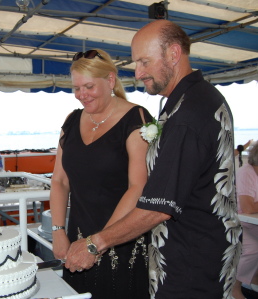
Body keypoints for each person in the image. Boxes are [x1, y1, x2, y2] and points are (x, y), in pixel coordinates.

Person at [63, 20, 242, 299]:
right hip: (204, 250)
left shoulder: (188, 115)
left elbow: (158, 207)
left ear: (173, 53)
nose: (138, 73)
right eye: (136, 63)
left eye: (145, 62)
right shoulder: (197, 99)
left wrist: (94, 243)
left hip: (190, 262)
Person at [50, 48, 153, 298]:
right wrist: (58, 231)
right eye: (76, 88)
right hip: (76, 239)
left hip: (122, 239)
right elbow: (60, 180)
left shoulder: (136, 118)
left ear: (109, 80)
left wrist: (97, 243)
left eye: (88, 87)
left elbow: (137, 187)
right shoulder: (71, 121)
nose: (81, 95)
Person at [233, 142, 258, 299]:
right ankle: (233, 288)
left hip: (253, 223)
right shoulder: (246, 173)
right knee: (253, 248)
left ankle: (253, 280)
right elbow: (248, 207)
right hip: (240, 223)